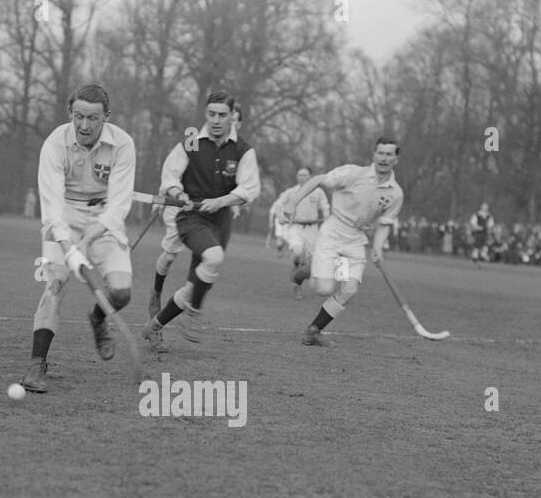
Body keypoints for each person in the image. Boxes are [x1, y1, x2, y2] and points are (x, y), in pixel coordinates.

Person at [19, 83, 136, 394]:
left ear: (106, 117)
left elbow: (119, 206)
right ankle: (36, 365)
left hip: (103, 221)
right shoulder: (54, 143)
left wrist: (85, 243)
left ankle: (98, 319)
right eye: (79, 117)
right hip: (63, 219)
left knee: (122, 293)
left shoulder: (123, 145)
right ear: (69, 112)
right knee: (54, 283)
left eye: (93, 119)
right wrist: (68, 244)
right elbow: (52, 205)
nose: (84, 126)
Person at [139, 90, 260, 351]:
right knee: (212, 258)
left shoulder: (242, 150)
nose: (216, 120)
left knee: (197, 283)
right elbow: (170, 175)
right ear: (205, 114)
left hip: (221, 219)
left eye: (223, 115)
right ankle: (189, 309)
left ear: (232, 117)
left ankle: (155, 326)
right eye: (211, 114)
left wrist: (221, 201)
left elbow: (249, 189)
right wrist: (177, 192)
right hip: (190, 215)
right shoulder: (192, 141)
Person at [282, 138, 404, 346]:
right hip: (334, 230)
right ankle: (308, 269)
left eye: (389, 154)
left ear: (396, 159)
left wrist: (377, 248)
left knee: (349, 289)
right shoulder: (353, 173)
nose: (384, 158)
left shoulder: (396, 193)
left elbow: (384, 224)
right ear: (374, 155)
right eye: (381, 153)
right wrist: (294, 202)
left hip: (357, 238)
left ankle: (313, 331)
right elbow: (319, 179)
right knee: (324, 289)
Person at [272, 165, 330, 298]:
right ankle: (296, 264)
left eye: (305, 175)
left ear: (310, 177)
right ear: (296, 177)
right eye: (300, 175)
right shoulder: (291, 192)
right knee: (298, 252)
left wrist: (327, 218)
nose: (302, 177)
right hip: (296, 228)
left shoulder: (318, 192)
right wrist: (280, 215)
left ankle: (298, 281)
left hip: (312, 229)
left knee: (312, 263)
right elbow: (278, 204)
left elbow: (325, 207)